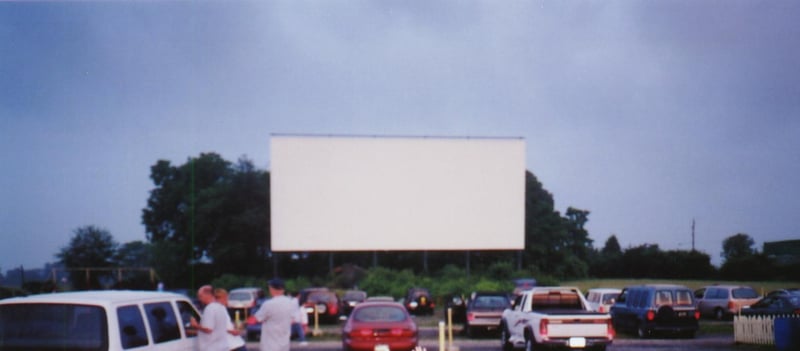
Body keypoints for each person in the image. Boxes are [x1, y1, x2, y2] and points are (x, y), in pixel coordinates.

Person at [253, 278, 297, 351]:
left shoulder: (268, 304)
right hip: (285, 345)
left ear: (271, 289)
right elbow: (293, 320)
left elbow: (256, 319)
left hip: (270, 345)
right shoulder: (291, 303)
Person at [190, 285, 229, 351]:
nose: (199, 299)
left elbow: (208, 329)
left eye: (200, 296)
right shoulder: (221, 307)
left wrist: (195, 325)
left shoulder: (210, 309)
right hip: (221, 347)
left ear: (207, 295)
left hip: (211, 348)